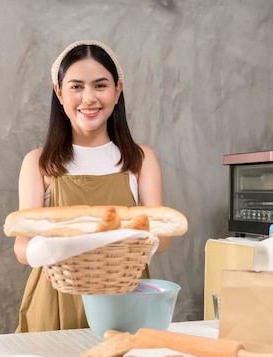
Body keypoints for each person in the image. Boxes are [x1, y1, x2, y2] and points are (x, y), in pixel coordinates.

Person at [14, 40, 170, 333]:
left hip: (124, 296)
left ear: (117, 90)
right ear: (59, 93)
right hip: (57, 298)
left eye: (100, 85)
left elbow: (163, 235)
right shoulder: (38, 162)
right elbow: (22, 247)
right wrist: (46, 252)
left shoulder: (140, 159)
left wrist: (122, 253)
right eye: (76, 87)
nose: (88, 98)